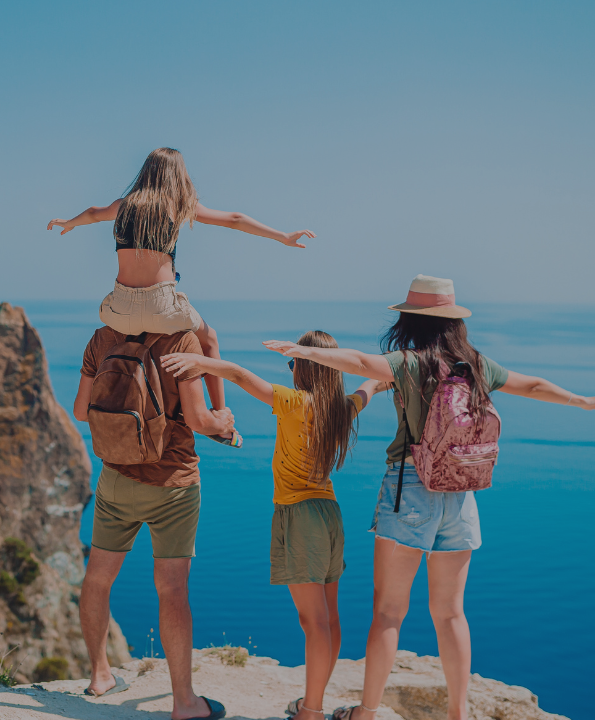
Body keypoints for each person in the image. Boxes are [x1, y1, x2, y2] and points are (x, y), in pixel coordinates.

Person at [263, 275, 595, 720]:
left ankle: (367, 712)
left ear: (411, 320)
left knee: (389, 612)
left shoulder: (410, 363)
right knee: (451, 614)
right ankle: (457, 712)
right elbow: (531, 385)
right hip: (462, 492)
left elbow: (356, 361)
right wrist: (580, 400)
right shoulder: (476, 365)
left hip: (410, 489)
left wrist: (305, 352)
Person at [161, 331, 390, 720]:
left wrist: (199, 364)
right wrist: (381, 380)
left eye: (293, 364)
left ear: (304, 367)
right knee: (328, 618)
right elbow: (367, 389)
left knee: (313, 621)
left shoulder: (295, 402)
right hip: (329, 514)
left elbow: (238, 374)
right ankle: (311, 703)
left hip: (300, 516)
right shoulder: (341, 408)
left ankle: (312, 711)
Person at [49, 147, 315, 446]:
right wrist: (282, 236)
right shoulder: (177, 205)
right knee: (210, 338)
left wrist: (69, 222)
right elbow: (234, 219)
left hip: (119, 307)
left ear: (146, 172)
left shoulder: (123, 205)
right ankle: (220, 417)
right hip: (161, 306)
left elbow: (93, 214)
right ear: (178, 176)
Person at [74, 324, 235, 720]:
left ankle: (100, 676)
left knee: (97, 578)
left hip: (116, 477)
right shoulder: (181, 342)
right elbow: (199, 419)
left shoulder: (103, 338)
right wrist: (224, 421)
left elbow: (81, 411)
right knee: (172, 590)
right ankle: (184, 703)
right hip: (173, 484)